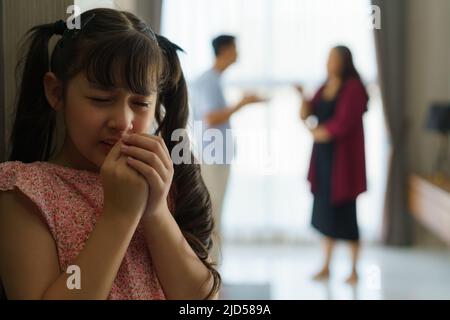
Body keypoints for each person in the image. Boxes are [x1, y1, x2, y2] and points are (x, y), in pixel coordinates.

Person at [0, 8, 220, 300]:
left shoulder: (162, 182)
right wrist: (119, 215)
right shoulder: (25, 192)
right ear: (56, 92)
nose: (123, 121)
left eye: (140, 103)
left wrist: (155, 211)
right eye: (100, 99)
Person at [297, 45, 368, 284]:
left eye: (333, 59)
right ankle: (326, 266)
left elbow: (345, 122)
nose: (329, 63)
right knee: (325, 214)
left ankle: (354, 270)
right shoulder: (325, 86)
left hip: (344, 163)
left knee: (346, 216)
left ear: (344, 61)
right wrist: (301, 97)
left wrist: (320, 132)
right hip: (324, 160)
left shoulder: (354, 88)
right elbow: (309, 111)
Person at [191, 35, 264, 265]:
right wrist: (242, 104)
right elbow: (211, 117)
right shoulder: (209, 80)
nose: (238, 52)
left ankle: (212, 264)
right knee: (212, 211)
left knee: (214, 209)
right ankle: (210, 265)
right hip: (213, 156)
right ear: (225, 50)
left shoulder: (214, 80)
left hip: (216, 155)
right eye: (235, 47)